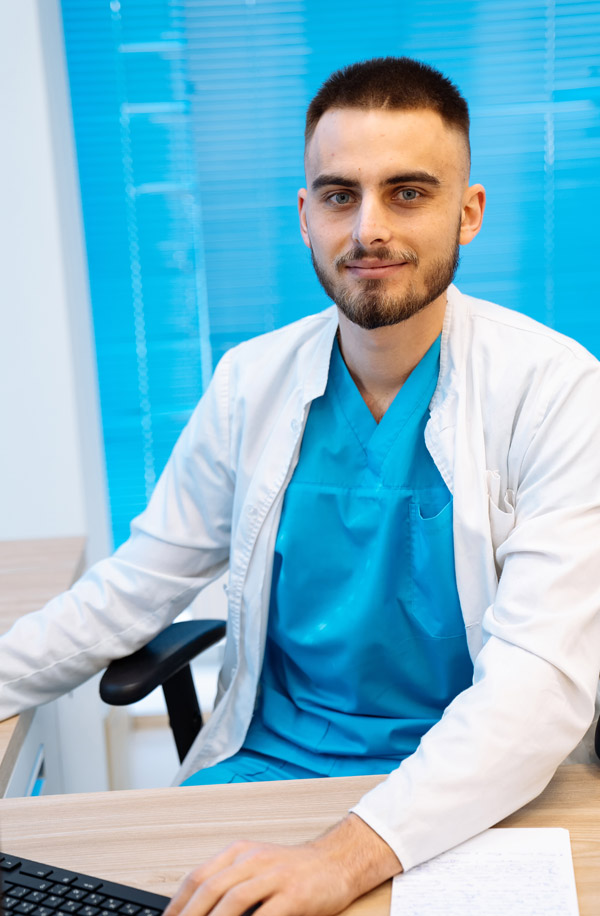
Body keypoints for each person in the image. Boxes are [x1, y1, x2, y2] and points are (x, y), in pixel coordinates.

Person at [1, 56, 600, 916]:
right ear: (305, 216)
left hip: (481, 793)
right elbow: (133, 589)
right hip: (268, 776)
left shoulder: (557, 392)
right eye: (338, 195)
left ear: (467, 214)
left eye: (408, 192)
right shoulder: (251, 383)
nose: (368, 229)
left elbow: (536, 690)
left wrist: (339, 861)